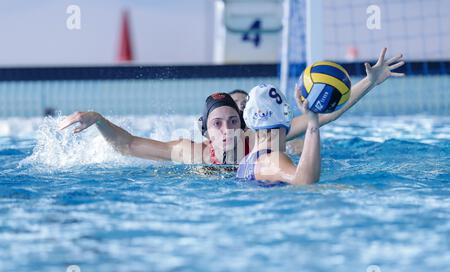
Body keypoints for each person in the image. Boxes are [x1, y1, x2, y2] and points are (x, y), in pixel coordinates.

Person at [60, 48, 404, 165]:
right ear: (205, 130)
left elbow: (322, 116)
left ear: (244, 124)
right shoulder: (192, 153)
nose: (226, 130)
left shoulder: (265, 144)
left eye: (232, 120)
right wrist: (98, 119)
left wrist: (369, 83)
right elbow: (130, 145)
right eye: (217, 124)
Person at [237, 84, 320, 185]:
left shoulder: (245, 162)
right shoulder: (272, 160)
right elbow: (305, 181)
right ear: (287, 114)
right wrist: (312, 121)